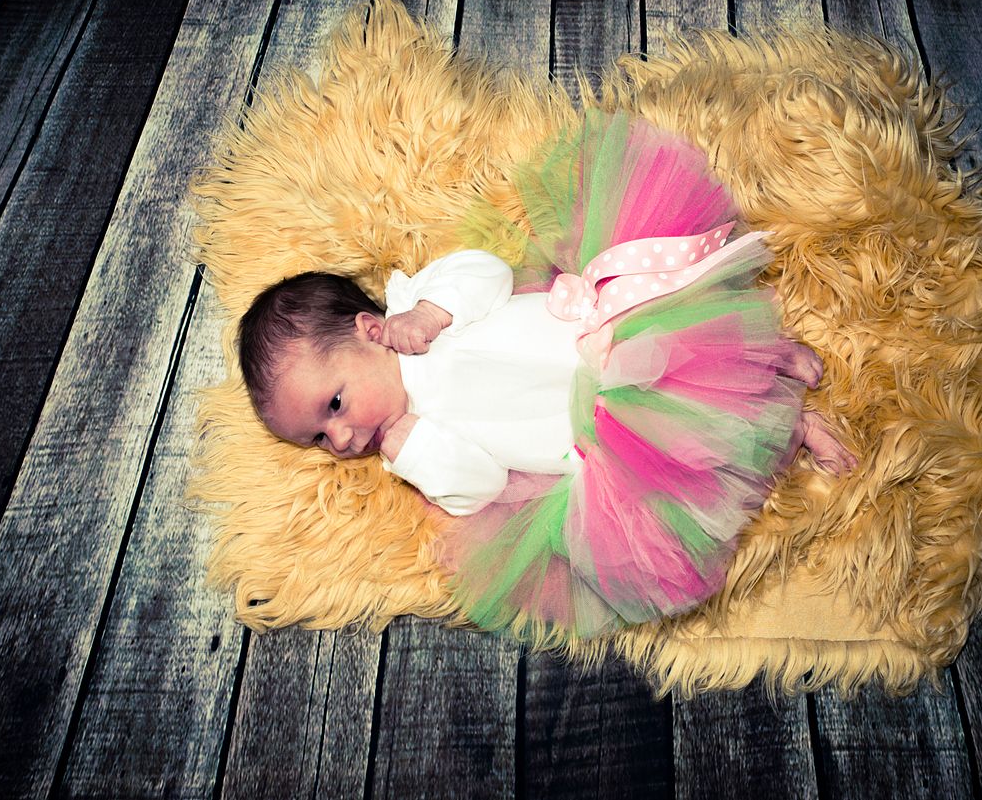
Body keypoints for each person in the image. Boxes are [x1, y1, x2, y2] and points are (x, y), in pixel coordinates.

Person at [240, 110, 857, 640]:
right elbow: (482, 486)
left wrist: (432, 312)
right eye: (318, 438)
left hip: (604, 335)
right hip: (602, 434)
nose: (341, 439)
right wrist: (419, 452)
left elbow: (488, 273)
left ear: (369, 331)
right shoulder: (414, 439)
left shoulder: (417, 309)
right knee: (703, 443)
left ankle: (771, 355)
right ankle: (794, 425)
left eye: (334, 406)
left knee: (689, 337)